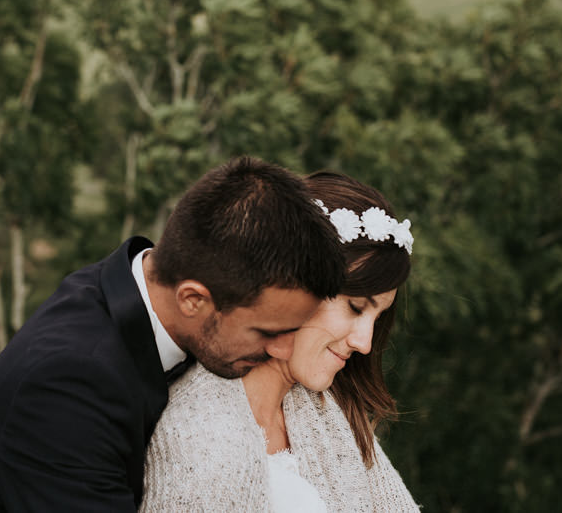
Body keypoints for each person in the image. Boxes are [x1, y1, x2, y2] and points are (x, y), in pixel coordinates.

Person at [0, 157, 346, 512]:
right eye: (268, 332)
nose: (284, 350)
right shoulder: (64, 390)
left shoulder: (143, 293)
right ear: (193, 300)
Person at [140, 171, 419, 512]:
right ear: (296, 284)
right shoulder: (199, 433)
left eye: (377, 318)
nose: (365, 343)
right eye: (355, 307)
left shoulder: (331, 414)